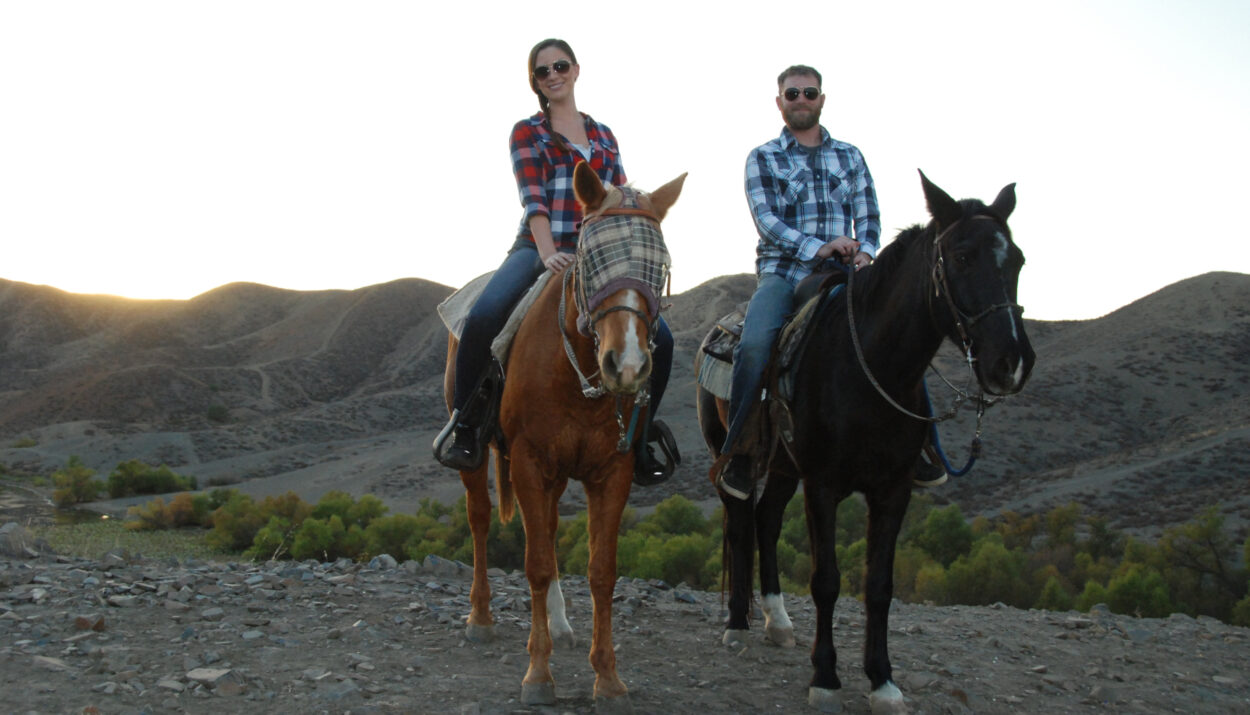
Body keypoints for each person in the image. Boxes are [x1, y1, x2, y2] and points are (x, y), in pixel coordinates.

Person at [434, 38, 677, 484]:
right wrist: (547, 253)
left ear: (576, 70)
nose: (553, 76)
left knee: (663, 336)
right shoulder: (527, 132)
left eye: (560, 66)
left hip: (597, 252)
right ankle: (466, 428)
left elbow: (618, 198)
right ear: (535, 82)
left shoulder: (604, 135)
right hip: (538, 246)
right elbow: (534, 199)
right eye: (542, 71)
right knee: (484, 315)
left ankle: (641, 439)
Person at [716, 64, 946, 499]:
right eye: (792, 94)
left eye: (809, 93)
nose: (801, 100)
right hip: (785, 273)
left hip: (848, 273)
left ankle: (922, 445)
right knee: (755, 343)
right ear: (779, 102)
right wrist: (817, 247)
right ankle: (742, 452)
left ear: (821, 99)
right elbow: (766, 220)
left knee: (900, 335)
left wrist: (866, 250)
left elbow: (868, 212)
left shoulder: (850, 156)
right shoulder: (763, 157)